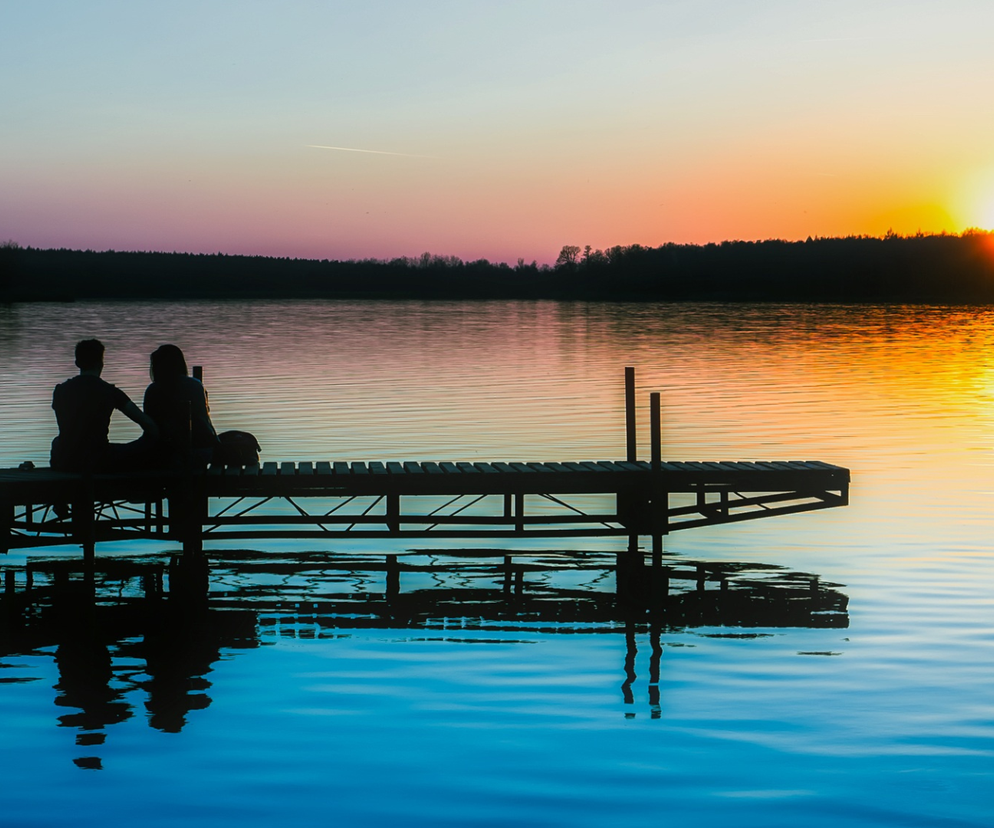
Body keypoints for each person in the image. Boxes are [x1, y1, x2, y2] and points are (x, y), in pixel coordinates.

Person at [51, 339, 159, 472]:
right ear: (101, 363)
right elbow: (148, 425)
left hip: (66, 460)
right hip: (98, 459)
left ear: (77, 363)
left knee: (57, 441)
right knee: (147, 443)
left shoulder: (60, 391)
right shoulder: (110, 391)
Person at [143, 344, 220, 467]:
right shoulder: (196, 385)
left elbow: (150, 426)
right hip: (206, 450)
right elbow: (205, 419)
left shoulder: (154, 390)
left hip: (172, 454)